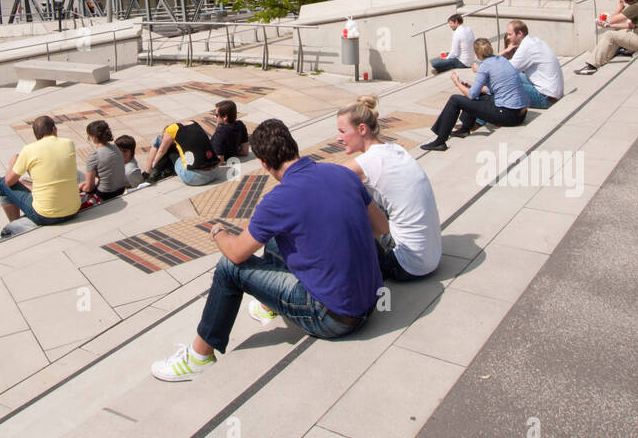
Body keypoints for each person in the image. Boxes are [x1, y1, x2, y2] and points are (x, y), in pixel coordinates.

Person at [150, 120, 382, 382]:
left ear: (263, 163)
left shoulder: (278, 200)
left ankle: (198, 357)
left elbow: (237, 254)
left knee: (228, 268)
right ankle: (267, 305)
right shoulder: (343, 174)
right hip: (370, 301)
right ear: (293, 146)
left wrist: (218, 233)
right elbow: (379, 227)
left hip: (332, 317)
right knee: (275, 239)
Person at [337, 96, 442, 282]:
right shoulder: (395, 149)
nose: (339, 138)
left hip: (405, 265)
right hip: (431, 257)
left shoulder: (367, 163)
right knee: (361, 194)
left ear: (362, 129)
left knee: (345, 203)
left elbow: (322, 182)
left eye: (342, 131)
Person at [421, 38, 529, 151]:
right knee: (479, 93)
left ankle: (440, 141)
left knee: (455, 100)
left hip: (508, 116)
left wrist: (456, 82)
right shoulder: (502, 60)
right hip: (520, 114)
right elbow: (493, 89)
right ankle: (465, 128)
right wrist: (473, 88)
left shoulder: (484, 67)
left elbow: (471, 95)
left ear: (477, 54)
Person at [0, 114, 81, 234]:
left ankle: (15, 225)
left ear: (36, 135)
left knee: (2, 184)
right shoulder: (68, 143)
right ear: (54, 129)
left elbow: (9, 181)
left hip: (45, 216)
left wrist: (13, 164)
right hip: (73, 210)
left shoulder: (29, 150)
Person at [574, 0, 638, 75]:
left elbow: (612, 19)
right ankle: (605, 59)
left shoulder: (634, 8)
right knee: (620, 34)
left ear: (624, 0)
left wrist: (620, 8)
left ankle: (592, 66)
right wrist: (609, 25)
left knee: (610, 35)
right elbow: (630, 25)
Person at [143, 118, 226, 187]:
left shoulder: (171, 130)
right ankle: (163, 172)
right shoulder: (195, 124)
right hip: (214, 172)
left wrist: (153, 164)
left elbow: (161, 151)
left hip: (195, 178)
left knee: (169, 150)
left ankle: (153, 176)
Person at [501, 21, 564, 109]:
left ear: (519, 33)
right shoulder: (533, 40)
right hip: (551, 92)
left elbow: (503, 72)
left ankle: (481, 119)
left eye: (510, 34)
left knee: (501, 83)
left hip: (545, 98)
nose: (507, 37)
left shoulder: (527, 47)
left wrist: (503, 52)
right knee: (513, 76)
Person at [80, 119, 129, 207]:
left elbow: (89, 187)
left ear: (94, 137)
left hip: (105, 194)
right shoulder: (116, 148)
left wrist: (81, 188)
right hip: (120, 189)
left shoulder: (94, 155)